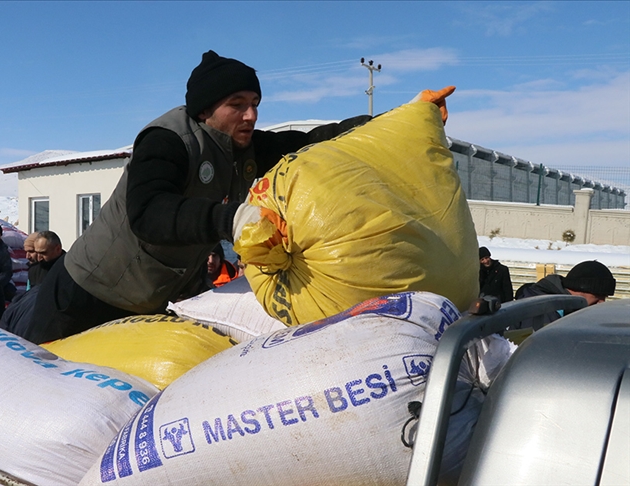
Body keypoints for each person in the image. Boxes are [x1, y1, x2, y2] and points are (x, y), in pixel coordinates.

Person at [26, 50, 373, 344]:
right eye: (237, 105)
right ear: (205, 110)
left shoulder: (245, 146)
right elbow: (149, 212)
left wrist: (388, 122)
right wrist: (229, 219)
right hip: (84, 295)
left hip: (147, 303)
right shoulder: (167, 140)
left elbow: (309, 141)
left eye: (254, 104)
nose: (250, 115)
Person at [514, 260, 616, 330]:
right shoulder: (542, 311)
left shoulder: (564, 308)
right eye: (599, 295)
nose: (602, 302)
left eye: (605, 297)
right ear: (580, 289)